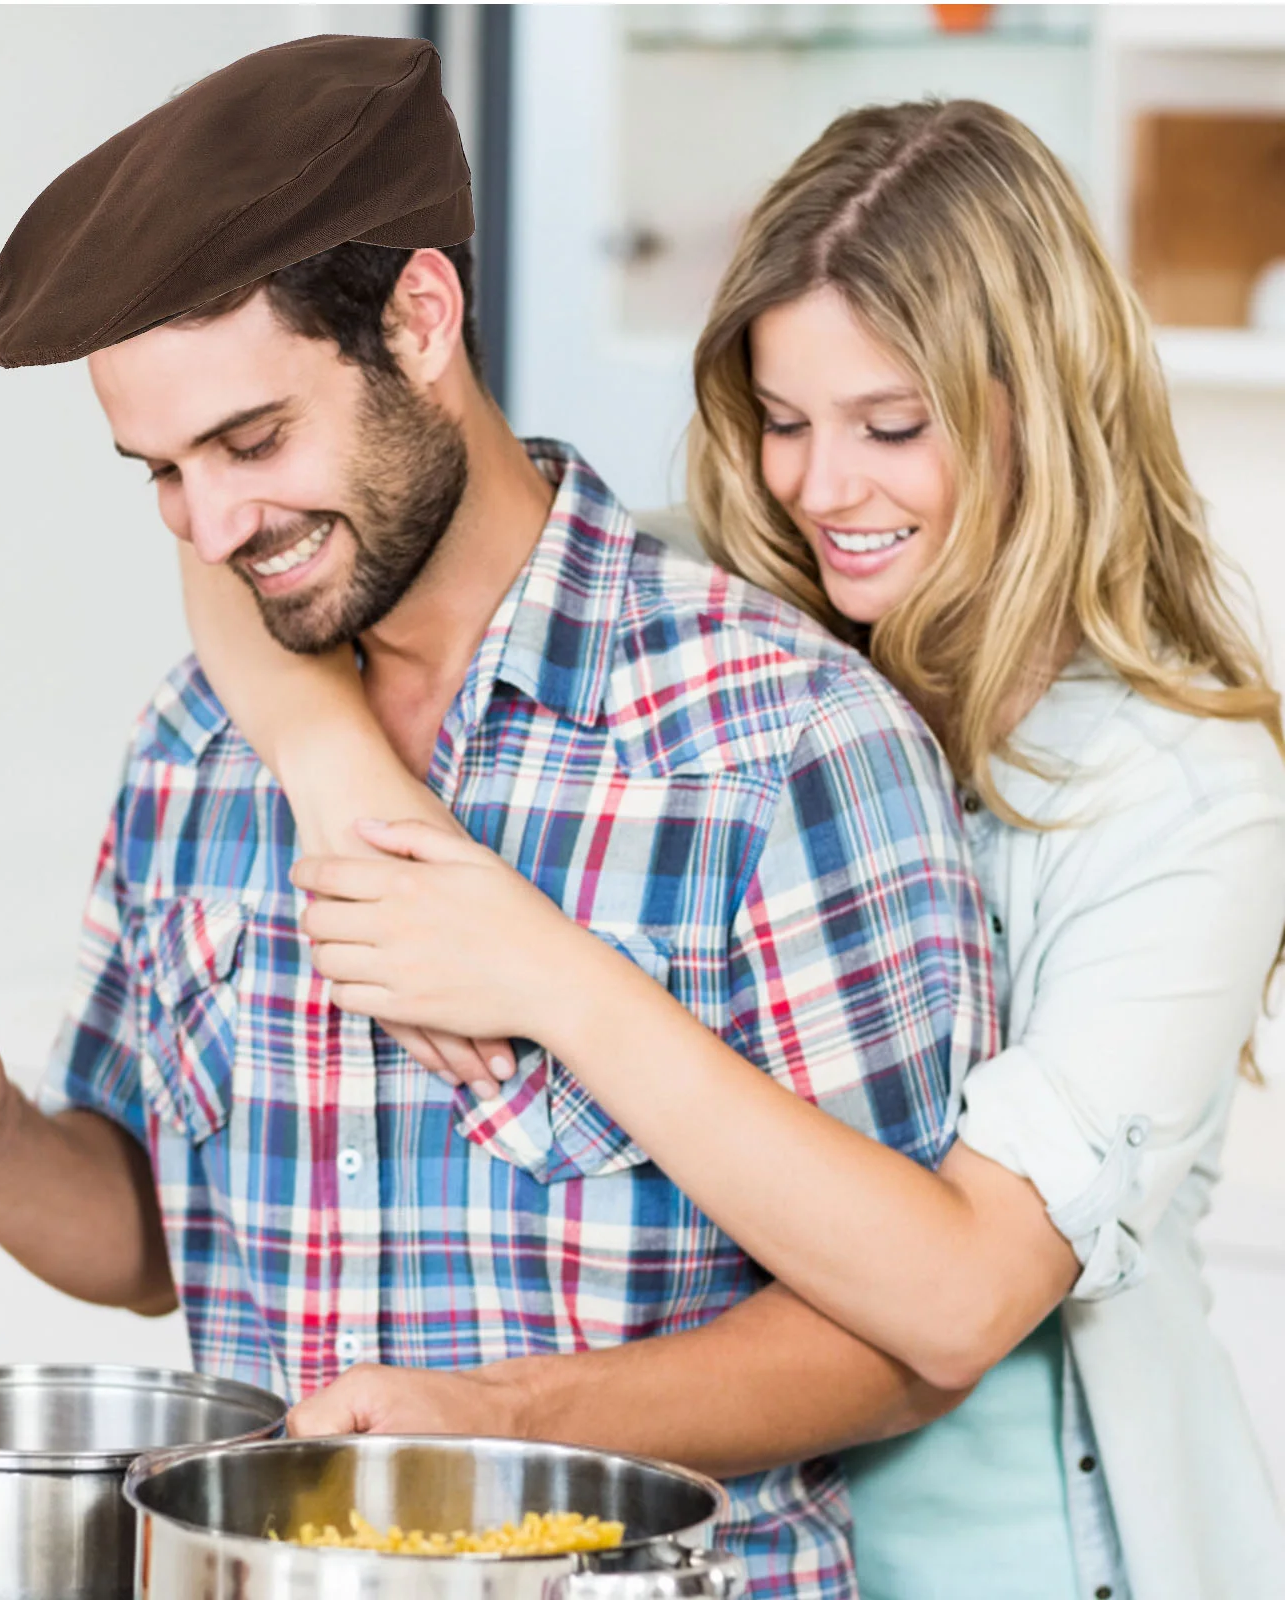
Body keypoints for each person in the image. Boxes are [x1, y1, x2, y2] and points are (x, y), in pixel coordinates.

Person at [0, 40, 996, 1600]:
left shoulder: (779, 741)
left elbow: (903, 1336)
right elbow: (157, 1237)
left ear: (421, 320)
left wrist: (490, 1435)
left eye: (251, 441)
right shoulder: (197, 742)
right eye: (160, 472)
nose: (214, 528)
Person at [178, 100, 1285, 1600]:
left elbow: (962, 1297)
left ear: (1047, 402)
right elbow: (230, 551)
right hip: (753, 1550)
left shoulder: (1191, 795)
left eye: (893, 425)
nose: (825, 490)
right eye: (783, 422)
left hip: (1031, 1559)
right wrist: (335, 783)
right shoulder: (721, 641)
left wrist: (551, 977)